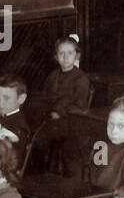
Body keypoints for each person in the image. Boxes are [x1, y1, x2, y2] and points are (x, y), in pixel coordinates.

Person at [32, 33, 92, 175]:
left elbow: (80, 105)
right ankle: (39, 171)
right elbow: (45, 98)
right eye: (61, 53)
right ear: (56, 56)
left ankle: (47, 171)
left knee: (41, 137)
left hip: (70, 121)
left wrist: (59, 112)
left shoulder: (80, 79)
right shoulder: (52, 76)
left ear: (77, 56)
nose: (65, 57)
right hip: (51, 118)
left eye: (70, 53)